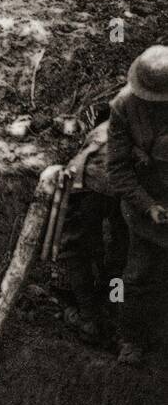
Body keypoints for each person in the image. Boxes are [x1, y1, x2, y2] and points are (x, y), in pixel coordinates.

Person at [106, 45, 168, 365]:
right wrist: (148, 206)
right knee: (137, 276)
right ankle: (130, 337)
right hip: (145, 209)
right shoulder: (123, 107)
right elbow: (117, 169)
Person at [56, 121, 128, 342]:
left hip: (95, 181)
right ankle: (113, 312)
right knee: (121, 254)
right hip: (129, 187)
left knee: (76, 250)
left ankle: (90, 318)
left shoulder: (126, 109)